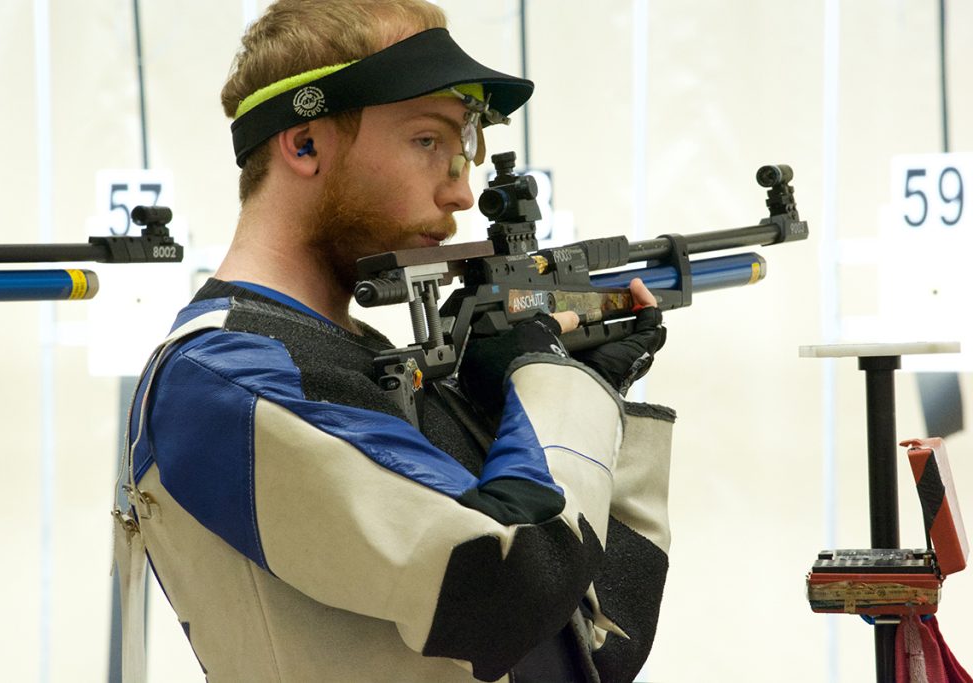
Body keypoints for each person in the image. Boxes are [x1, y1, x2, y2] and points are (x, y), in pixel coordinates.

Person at [113, 1, 674, 681]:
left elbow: (597, 642)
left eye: (464, 146)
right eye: (428, 140)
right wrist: (556, 385)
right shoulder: (226, 378)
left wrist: (581, 402)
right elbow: (509, 589)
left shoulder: (363, 363)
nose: (464, 191)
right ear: (306, 144)